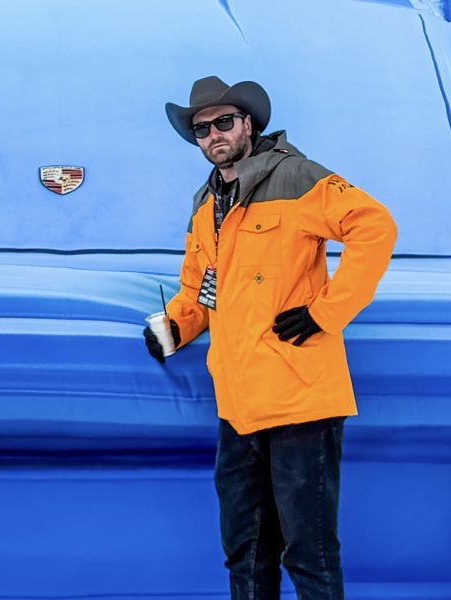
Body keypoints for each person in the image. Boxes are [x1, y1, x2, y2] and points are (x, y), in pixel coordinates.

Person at [145, 76, 398, 599]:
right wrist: (175, 327)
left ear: (248, 124)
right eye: (201, 129)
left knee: (310, 555)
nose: (213, 135)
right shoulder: (205, 204)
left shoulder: (297, 176)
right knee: (245, 554)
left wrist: (326, 311)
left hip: (299, 401)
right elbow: (203, 288)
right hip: (237, 406)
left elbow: (375, 227)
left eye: (223, 122)